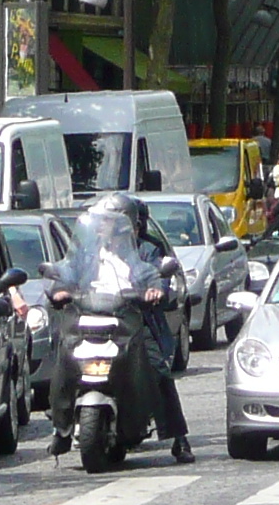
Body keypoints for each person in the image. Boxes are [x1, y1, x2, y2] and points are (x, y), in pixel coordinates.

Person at [44, 197, 191, 463]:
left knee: (158, 369)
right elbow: (67, 271)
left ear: (128, 224)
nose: (103, 228)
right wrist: (59, 289)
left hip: (132, 320)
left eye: (109, 222)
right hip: (89, 317)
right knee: (64, 359)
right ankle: (61, 427)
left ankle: (178, 437)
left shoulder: (146, 250)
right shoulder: (87, 252)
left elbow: (155, 275)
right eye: (100, 223)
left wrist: (155, 290)